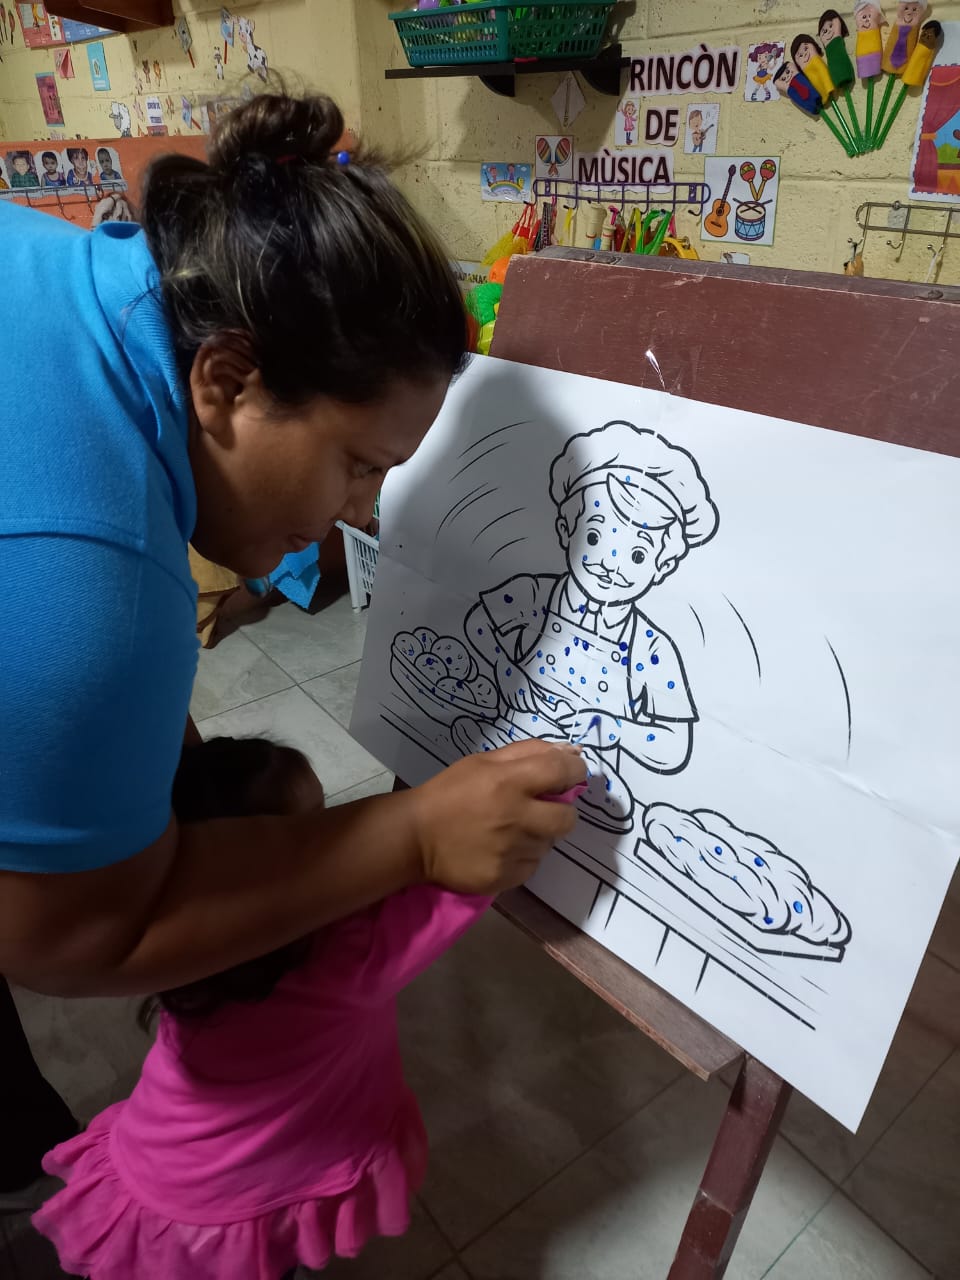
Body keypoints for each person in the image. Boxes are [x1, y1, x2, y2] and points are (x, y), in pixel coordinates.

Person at [0, 92, 584, 1204]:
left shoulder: (105, 285)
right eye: (359, 465)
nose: (362, 513)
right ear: (228, 380)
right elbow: (68, 937)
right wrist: (416, 833)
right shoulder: (90, 585)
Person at [33, 735, 493, 1280]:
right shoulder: (350, 959)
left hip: (159, 1167)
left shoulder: (181, 945)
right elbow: (470, 877)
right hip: (228, 1207)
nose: (342, 839)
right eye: (310, 834)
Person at [450, 421, 718, 835]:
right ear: (566, 530)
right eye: (595, 536)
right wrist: (509, 673)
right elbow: (478, 624)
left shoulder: (651, 648)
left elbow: (674, 744)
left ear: (662, 566)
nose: (611, 564)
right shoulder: (534, 594)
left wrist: (609, 727)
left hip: (589, 792)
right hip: (505, 750)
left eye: (637, 555)